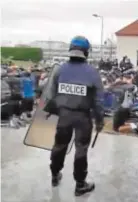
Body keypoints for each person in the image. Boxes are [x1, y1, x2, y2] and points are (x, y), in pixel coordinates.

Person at [44, 36, 104, 196]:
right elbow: (98, 101)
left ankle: (55, 175)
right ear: (86, 52)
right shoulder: (93, 73)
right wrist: (99, 121)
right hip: (83, 118)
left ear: (70, 50)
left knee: (59, 146)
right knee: (81, 149)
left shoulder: (59, 70)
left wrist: (52, 112)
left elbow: (50, 95)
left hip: (64, 116)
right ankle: (80, 185)